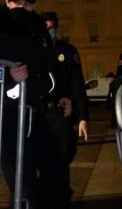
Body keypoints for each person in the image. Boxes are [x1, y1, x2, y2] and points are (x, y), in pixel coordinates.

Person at [0, 0, 72, 209]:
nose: (20, 8)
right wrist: (8, 77)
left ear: (34, 6)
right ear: (7, 2)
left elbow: (49, 69)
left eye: (26, 4)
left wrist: (62, 95)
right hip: (7, 115)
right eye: (15, 2)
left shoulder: (39, 32)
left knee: (57, 173)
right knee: (22, 184)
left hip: (37, 114)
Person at [41, 11, 89, 167]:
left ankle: (60, 189)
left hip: (62, 112)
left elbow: (78, 84)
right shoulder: (34, 51)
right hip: (40, 114)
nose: (49, 31)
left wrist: (83, 117)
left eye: (52, 28)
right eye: (45, 28)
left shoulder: (68, 51)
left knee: (63, 157)